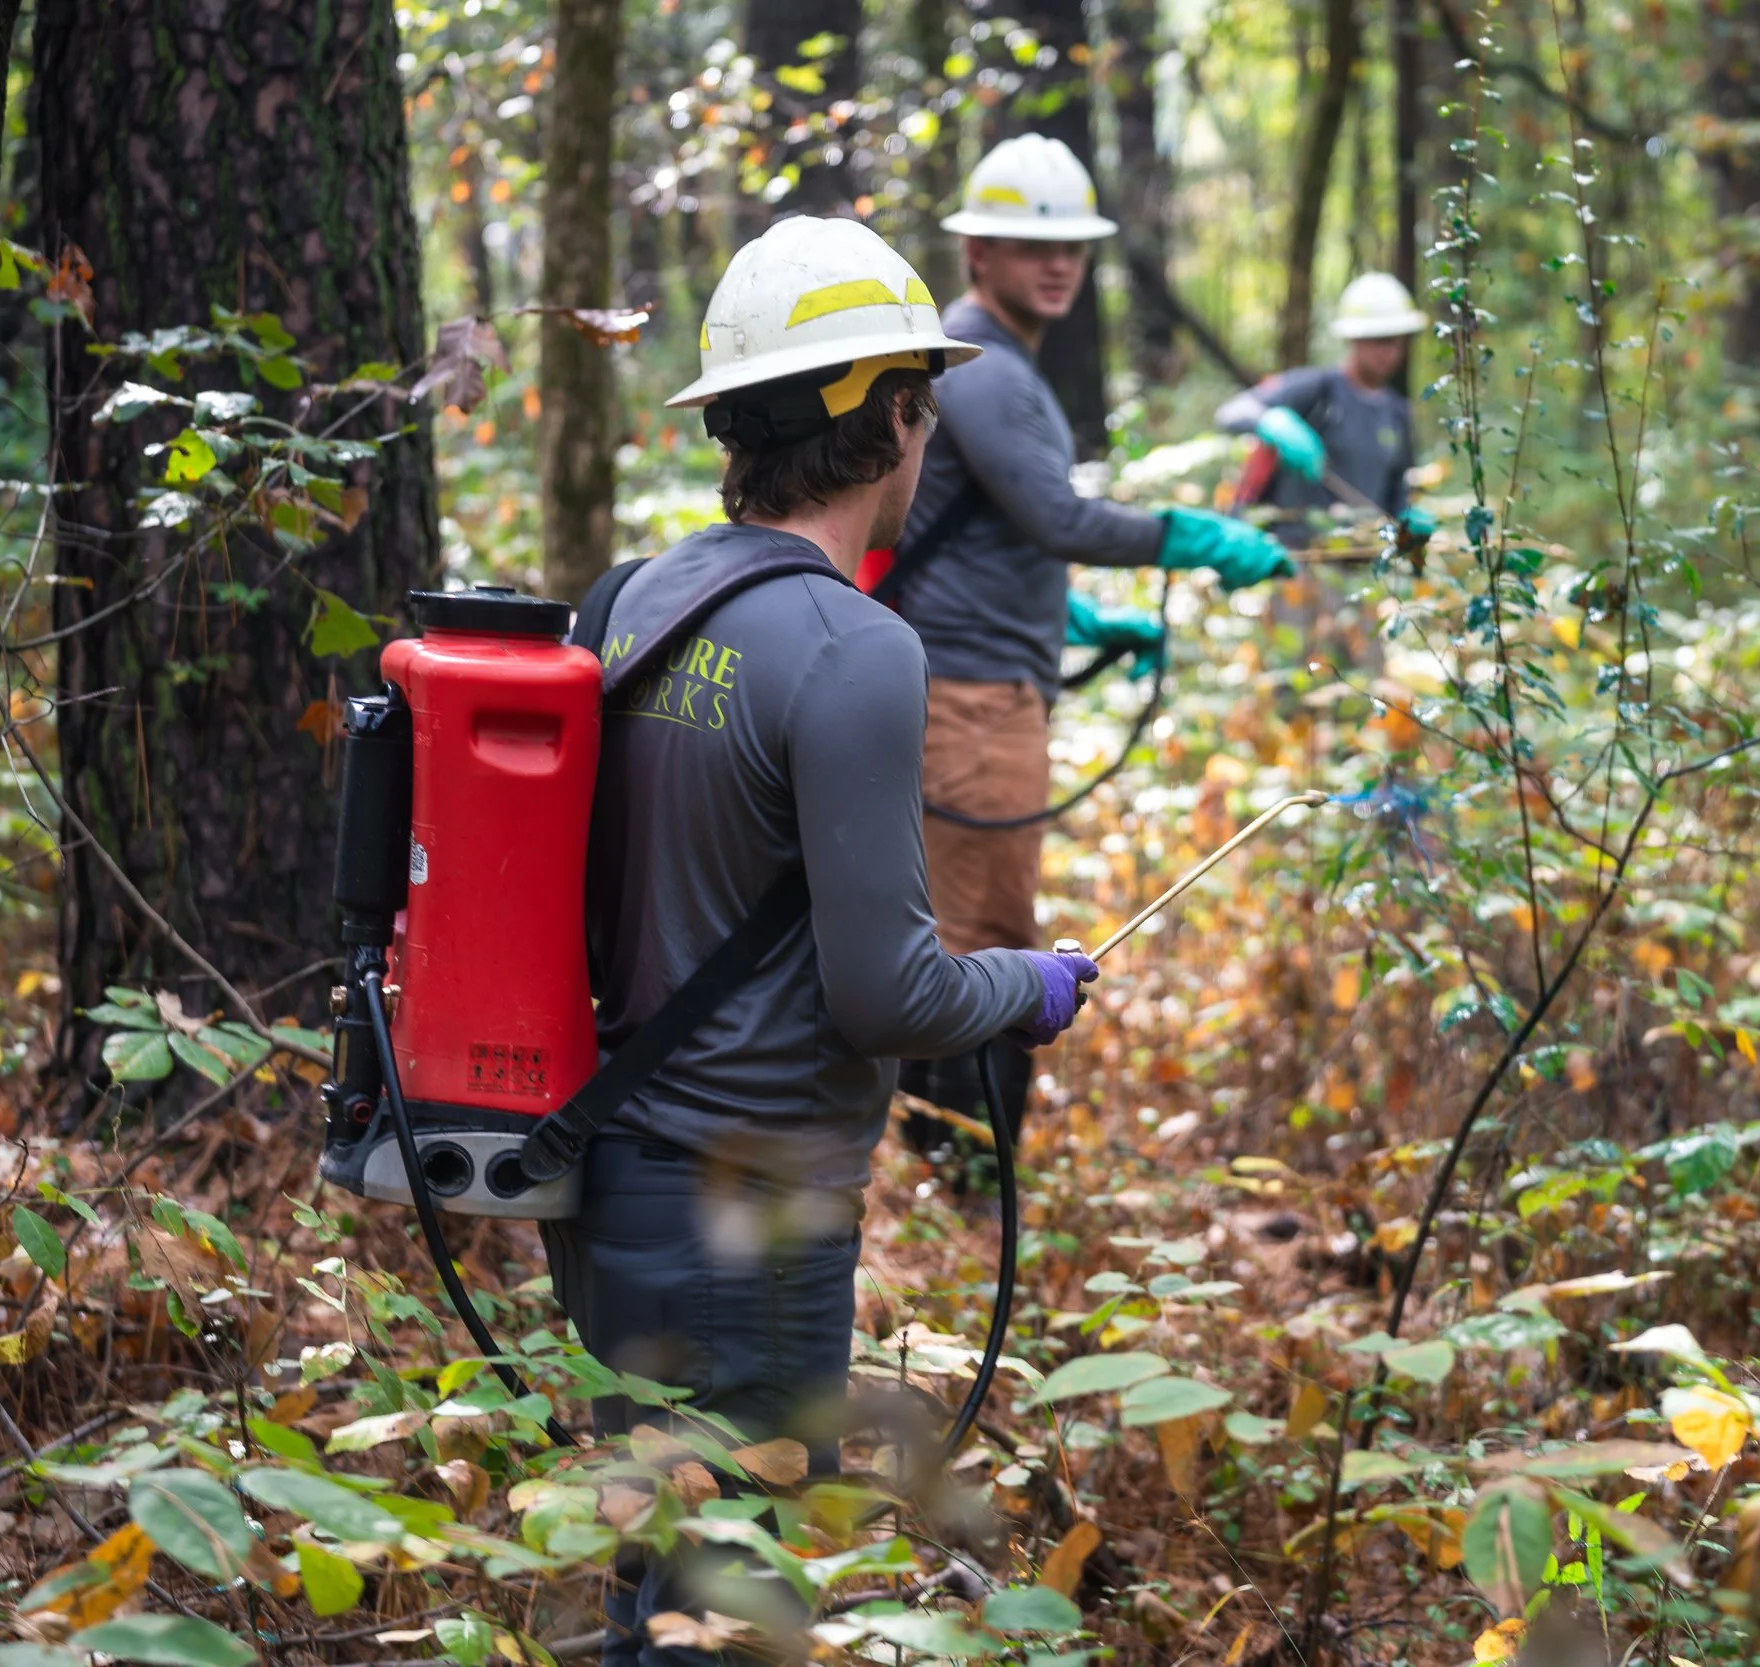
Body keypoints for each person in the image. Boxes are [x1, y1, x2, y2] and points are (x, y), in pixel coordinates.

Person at [546, 214, 1101, 1667]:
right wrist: (1028, 986)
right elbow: (888, 990)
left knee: (659, 1577)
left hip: (606, 1186)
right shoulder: (859, 646)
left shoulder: (637, 595)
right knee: (726, 1615)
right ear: (898, 416)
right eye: (924, 399)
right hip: (752, 1213)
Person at [881, 134, 1295, 1134]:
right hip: (973, 702)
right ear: (978, 252)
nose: (1057, 262)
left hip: (976, 684)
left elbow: (982, 533)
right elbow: (1058, 519)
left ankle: (946, 1178)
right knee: (983, 938)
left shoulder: (987, 361)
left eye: (1071, 244)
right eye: (1032, 245)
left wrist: (1073, 618)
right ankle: (965, 1183)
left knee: (962, 928)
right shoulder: (983, 367)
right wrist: (1188, 538)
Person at [1217, 270, 1429, 534]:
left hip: (1360, 560)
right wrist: (1272, 421)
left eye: (1397, 341)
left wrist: (1406, 520)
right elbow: (1233, 411)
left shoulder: (1397, 413)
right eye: (1379, 341)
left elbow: (1397, 488)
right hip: (1295, 556)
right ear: (1354, 338)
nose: (1389, 352)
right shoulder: (1318, 389)